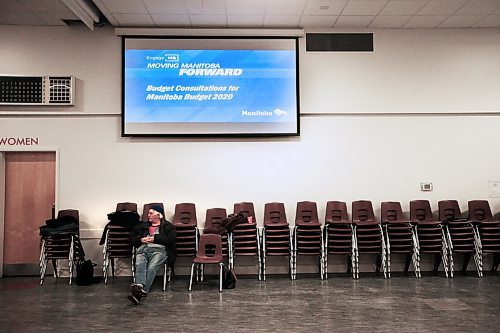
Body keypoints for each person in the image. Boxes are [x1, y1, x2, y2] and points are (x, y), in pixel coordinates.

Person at [128, 205, 176, 305]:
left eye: (151, 213)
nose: (148, 215)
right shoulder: (142, 226)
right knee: (139, 265)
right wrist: (140, 240)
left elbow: (171, 240)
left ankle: (138, 291)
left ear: (158, 215)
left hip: (159, 250)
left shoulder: (168, 226)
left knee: (152, 267)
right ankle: (140, 289)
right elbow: (131, 239)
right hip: (142, 249)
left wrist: (155, 239)